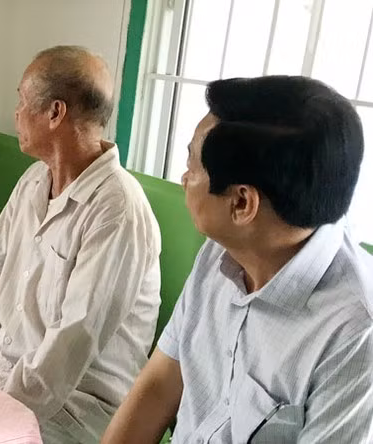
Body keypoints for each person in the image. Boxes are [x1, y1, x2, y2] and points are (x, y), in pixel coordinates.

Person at [102, 76, 373, 444]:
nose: (184, 179)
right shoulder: (221, 251)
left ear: (242, 203)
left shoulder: (356, 333)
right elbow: (159, 386)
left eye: (193, 167)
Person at [0, 46, 162, 443]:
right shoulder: (36, 181)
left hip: (72, 408)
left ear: (55, 113)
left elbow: (70, 345)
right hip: (1, 373)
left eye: (22, 100)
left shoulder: (117, 209)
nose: (16, 112)